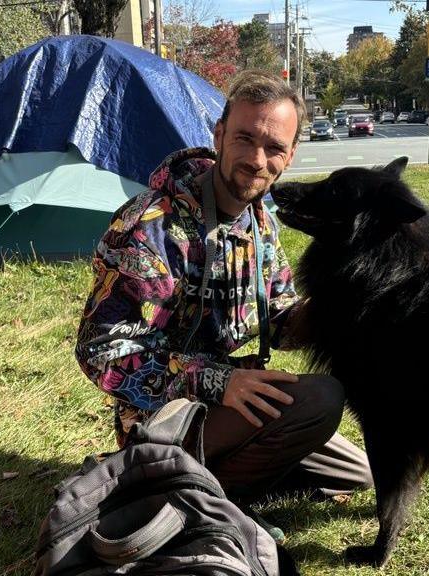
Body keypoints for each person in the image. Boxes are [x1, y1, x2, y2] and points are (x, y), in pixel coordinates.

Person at [75, 71, 372, 517]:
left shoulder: (260, 223)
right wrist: (216, 381)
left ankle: (204, 476)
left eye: (274, 148)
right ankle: (173, 492)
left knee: (355, 473)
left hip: (229, 396)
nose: (256, 159)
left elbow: (279, 314)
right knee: (323, 400)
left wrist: (342, 307)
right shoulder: (152, 226)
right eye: (244, 138)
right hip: (163, 414)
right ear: (218, 136)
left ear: (290, 156)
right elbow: (100, 351)